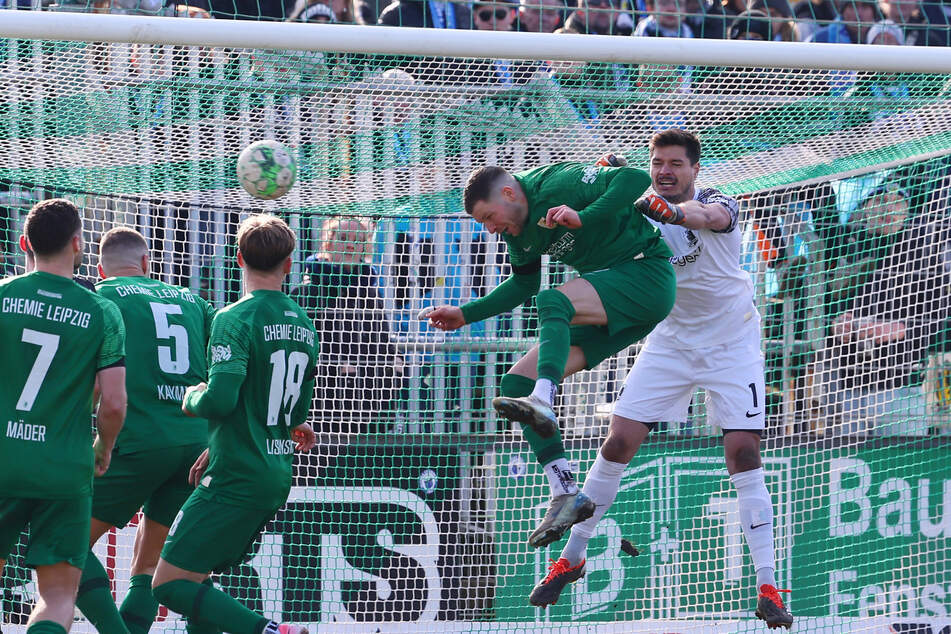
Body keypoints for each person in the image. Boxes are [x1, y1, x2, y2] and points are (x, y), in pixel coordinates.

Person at [527, 129, 794, 631]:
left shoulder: (716, 201)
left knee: (742, 452)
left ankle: (768, 584)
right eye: (657, 163)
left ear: (695, 170)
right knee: (618, 442)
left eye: (676, 164)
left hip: (732, 343)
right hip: (671, 341)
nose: (665, 170)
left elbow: (709, 218)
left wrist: (667, 210)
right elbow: (600, 212)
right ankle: (573, 556)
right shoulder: (636, 202)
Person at [421, 159, 676, 548]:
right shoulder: (517, 230)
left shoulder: (558, 184)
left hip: (645, 276)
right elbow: (523, 284)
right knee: (514, 379)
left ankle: (543, 399)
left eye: (489, 217)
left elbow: (635, 177)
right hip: (615, 304)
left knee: (554, 301)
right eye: (483, 225)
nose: (490, 229)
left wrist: (582, 216)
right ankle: (566, 491)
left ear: (509, 193)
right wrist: (464, 314)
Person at [150, 214, 317, 634]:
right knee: (198, 578)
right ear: (289, 264)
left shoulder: (235, 318)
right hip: (274, 473)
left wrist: (190, 396)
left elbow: (221, 399)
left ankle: (271, 631)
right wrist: (219, 445)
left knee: (167, 584)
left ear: (237, 258)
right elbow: (292, 413)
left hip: (236, 478)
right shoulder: (304, 323)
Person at [72, 227, 215, 634]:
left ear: (100, 268)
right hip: (194, 442)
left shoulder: (98, 299)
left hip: (134, 440)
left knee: (63, 540)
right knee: (151, 563)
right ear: (148, 264)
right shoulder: (193, 301)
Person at [0, 198, 127, 634]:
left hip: (2, 458)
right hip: (65, 466)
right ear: (78, 243)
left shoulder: (2, 295)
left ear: (23, 244)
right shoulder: (102, 312)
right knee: (56, 598)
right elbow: (113, 402)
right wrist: (103, 448)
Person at [290, 218, 403, 434]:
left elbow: (382, 342)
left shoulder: (370, 292)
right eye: (343, 238)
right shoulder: (306, 293)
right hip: (320, 407)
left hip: (366, 404)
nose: (351, 245)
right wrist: (336, 366)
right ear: (328, 244)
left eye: (359, 240)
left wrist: (396, 365)